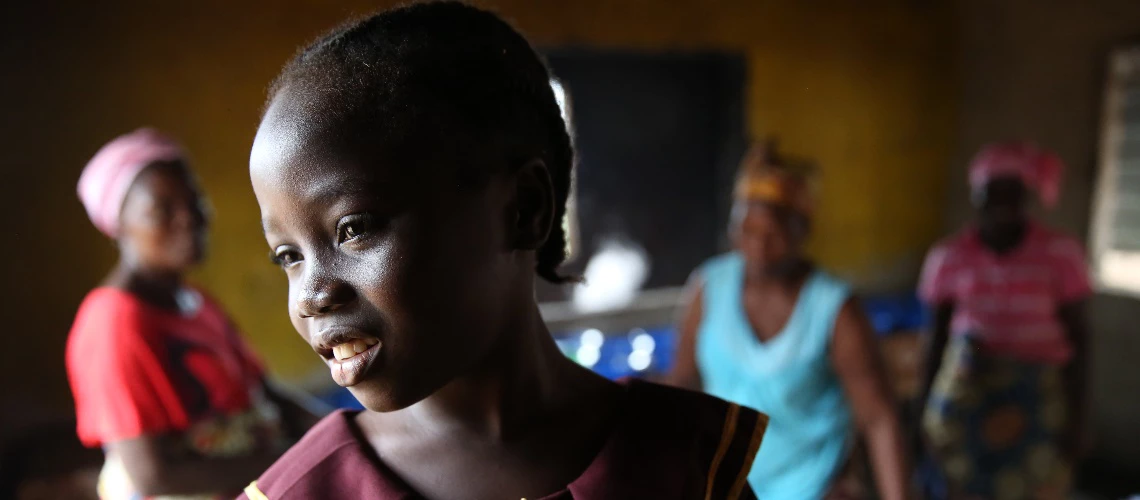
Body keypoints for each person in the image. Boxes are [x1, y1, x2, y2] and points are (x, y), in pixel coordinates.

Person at [240, 3, 767, 499]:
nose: (311, 295)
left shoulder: (689, 466)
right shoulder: (302, 492)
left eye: (352, 229)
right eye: (288, 255)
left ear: (524, 210)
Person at [66, 128, 324, 499]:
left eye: (194, 199)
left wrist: (340, 429)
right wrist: (292, 458)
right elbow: (154, 478)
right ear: (119, 225)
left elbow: (264, 395)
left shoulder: (194, 301)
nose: (189, 217)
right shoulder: (114, 321)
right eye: (162, 209)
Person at [668, 141, 910, 500]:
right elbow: (682, 383)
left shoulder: (833, 309)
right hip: (724, 486)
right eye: (747, 230)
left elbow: (878, 419)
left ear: (802, 232)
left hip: (809, 489)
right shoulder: (709, 288)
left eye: (774, 234)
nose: (758, 247)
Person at [917, 142, 1090, 499]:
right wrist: (921, 413)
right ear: (976, 196)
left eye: (1013, 193)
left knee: (1040, 484)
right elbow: (934, 340)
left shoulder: (1061, 253)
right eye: (992, 193)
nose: (1003, 204)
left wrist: (1079, 418)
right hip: (970, 387)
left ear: (1027, 197)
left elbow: (1080, 339)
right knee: (963, 485)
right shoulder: (948, 256)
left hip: (1039, 392)